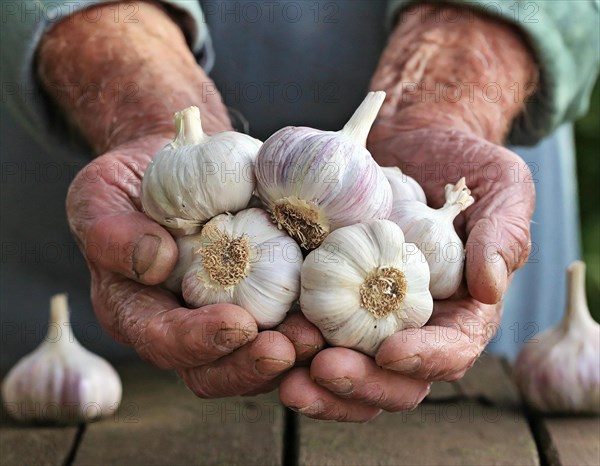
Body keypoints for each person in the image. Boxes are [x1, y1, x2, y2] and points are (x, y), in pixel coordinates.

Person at [1, 0, 597, 422]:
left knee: (478, 396)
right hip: (99, 151)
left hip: (458, 142)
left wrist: (448, 98)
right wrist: (141, 107)